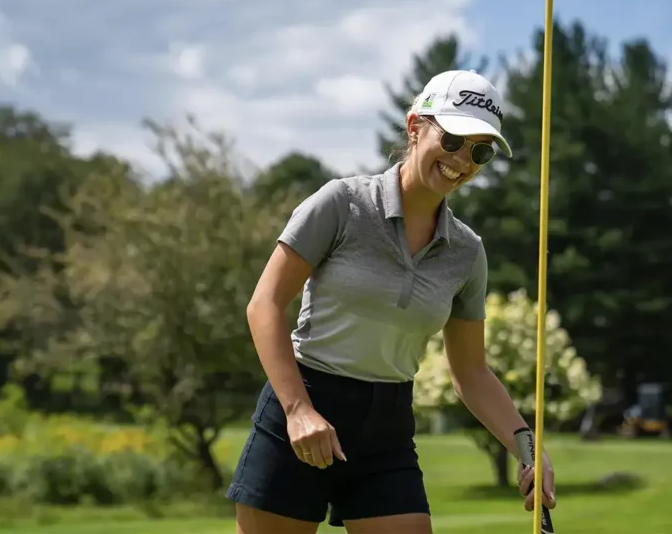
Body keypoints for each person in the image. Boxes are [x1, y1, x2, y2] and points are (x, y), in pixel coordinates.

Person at [227, 69, 556, 534]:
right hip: (303, 404)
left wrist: (527, 448)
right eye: (455, 138)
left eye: (480, 150)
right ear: (415, 126)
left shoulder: (467, 252)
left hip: (387, 428)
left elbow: (472, 373)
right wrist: (299, 411)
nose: (464, 160)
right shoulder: (341, 204)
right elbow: (264, 304)